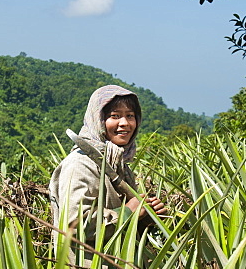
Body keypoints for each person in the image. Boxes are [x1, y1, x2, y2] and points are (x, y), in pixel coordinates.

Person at [49, 85, 167, 239]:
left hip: (120, 263)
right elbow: (74, 224)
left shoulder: (117, 163)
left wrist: (146, 218)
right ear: (98, 120)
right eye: (115, 116)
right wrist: (128, 212)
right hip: (87, 263)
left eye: (130, 115)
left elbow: (122, 228)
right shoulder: (80, 164)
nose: (125, 123)